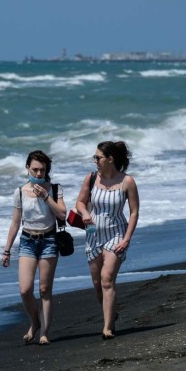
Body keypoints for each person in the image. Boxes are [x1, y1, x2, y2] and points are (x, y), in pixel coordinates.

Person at [2, 150, 67, 345]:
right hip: (28, 241)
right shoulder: (20, 192)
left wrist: (46, 197)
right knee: (25, 289)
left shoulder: (55, 189)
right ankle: (35, 322)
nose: (39, 174)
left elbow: (63, 214)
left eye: (42, 170)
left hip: (49, 240)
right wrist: (6, 251)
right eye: (35, 170)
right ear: (27, 168)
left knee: (45, 289)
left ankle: (44, 333)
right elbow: (15, 223)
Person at [75, 141, 139, 340]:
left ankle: (107, 328)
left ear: (110, 159)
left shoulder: (127, 181)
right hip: (93, 234)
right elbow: (80, 202)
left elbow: (134, 212)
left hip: (116, 234)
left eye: (98, 157)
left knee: (107, 278)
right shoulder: (91, 178)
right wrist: (84, 212)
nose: (95, 161)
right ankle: (112, 314)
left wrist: (127, 239)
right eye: (94, 157)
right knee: (96, 283)